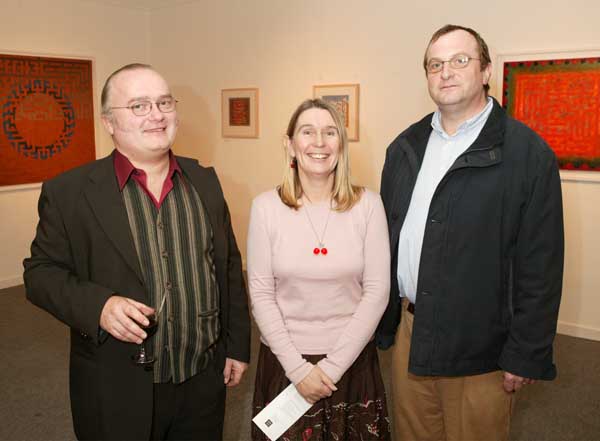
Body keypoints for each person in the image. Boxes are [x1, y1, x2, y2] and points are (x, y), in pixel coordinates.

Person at [23, 63, 251, 441]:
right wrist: (99, 306)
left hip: (201, 380)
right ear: (109, 123)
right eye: (139, 106)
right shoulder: (69, 193)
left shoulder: (205, 182)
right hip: (117, 388)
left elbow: (227, 267)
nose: (157, 115)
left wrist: (237, 346)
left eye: (164, 102)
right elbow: (39, 273)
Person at [376, 24, 564, 441]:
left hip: (483, 345)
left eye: (460, 60)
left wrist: (526, 353)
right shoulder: (404, 148)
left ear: (485, 72)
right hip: (411, 332)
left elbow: (542, 265)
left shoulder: (527, 155)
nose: (446, 72)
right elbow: (388, 237)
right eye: (435, 64)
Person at [247, 98, 391, 440]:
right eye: (307, 132)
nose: (319, 142)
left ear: (341, 145)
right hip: (285, 364)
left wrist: (331, 367)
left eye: (330, 132)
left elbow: (377, 292)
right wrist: (299, 370)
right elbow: (260, 294)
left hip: (351, 363)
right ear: (290, 145)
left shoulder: (368, 205)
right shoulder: (265, 208)